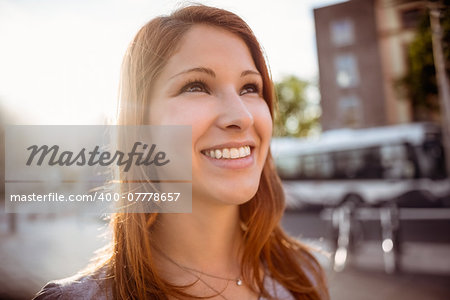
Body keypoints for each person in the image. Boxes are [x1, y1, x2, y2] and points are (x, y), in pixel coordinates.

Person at [33, 4, 329, 300]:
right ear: (141, 126)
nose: (241, 116)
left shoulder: (301, 274)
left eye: (250, 88)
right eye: (196, 86)